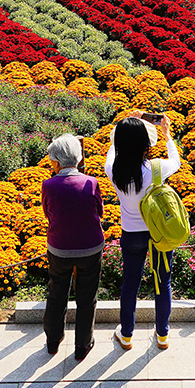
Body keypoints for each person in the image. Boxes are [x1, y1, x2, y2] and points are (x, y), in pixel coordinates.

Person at [105, 112, 179, 351]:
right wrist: (167, 135)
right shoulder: (157, 169)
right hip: (158, 234)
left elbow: (112, 145)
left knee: (130, 284)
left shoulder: (113, 170)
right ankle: (162, 336)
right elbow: (176, 162)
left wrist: (124, 124)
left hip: (131, 234)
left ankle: (126, 336)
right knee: (162, 282)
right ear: (146, 144)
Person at [41, 134, 105, 361]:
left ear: (56, 162)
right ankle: (83, 345)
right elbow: (99, 212)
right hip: (91, 247)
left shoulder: (49, 185)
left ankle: (52, 341)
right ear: (79, 159)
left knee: (57, 292)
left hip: (59, 248)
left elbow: (48, 214)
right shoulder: (91, 182)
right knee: (87, 297)